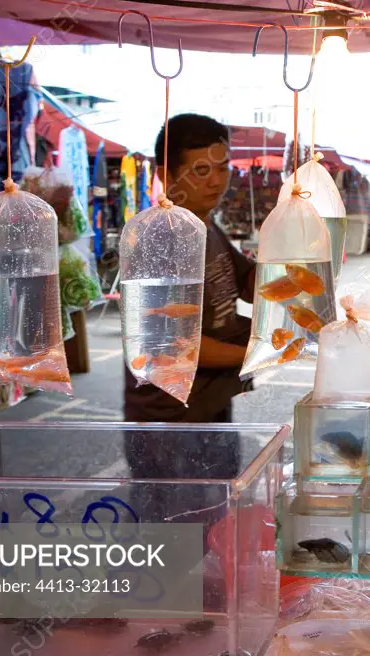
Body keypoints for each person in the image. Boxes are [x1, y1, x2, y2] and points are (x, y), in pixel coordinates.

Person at [123, 113, 255, 425]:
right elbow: (171, 345)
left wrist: (290, 263)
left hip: (211, 399)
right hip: (170, 413)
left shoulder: (205, 225)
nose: (215, 181)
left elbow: (248, 284)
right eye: (201, 171)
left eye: (222, 169)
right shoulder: (159, 238)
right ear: (166, 176)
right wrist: (256, 354)